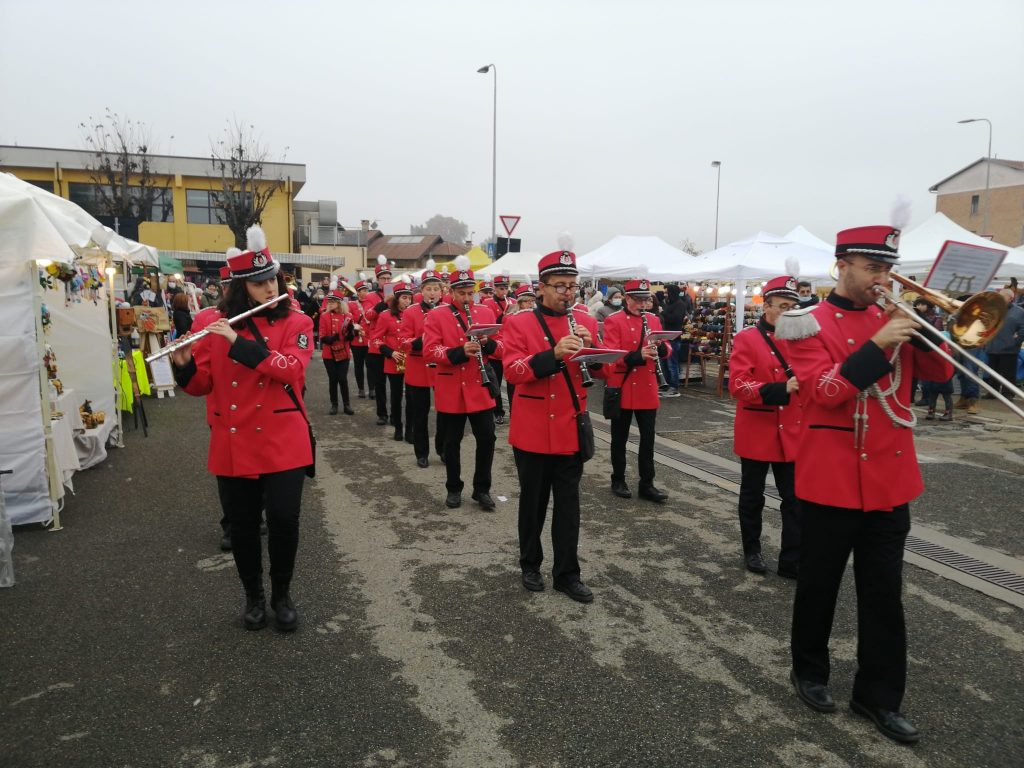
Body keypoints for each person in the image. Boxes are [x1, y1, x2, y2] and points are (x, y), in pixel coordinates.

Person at [776, 223, 953, 745]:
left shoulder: (894, 317)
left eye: (887, 269)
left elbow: (941, 375)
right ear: (843, 266)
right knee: (818, 587)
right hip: (830, 480)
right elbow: (826, 391)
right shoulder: (803, 323)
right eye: (873, 268)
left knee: (884, 596)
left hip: (888, 480)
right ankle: (809, 670)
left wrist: (927, 325)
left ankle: (878, 696)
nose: (883, 278)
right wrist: (879, 343)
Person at [171, 225, 314, 633]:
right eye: (259, 283)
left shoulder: (297, 322)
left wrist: (238, 342)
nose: (270, 289)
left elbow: (291, 369)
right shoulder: (211, 323)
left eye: (273, 280)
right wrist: (183, 365)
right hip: (233, 441)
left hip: (283, 438)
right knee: (243, 525)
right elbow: (202, 387)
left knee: (285, 520)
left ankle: (282, 593)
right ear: (240, 287)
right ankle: (252, 595)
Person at [502, 239, 605, 603]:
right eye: (559, 286)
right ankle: (530, 563)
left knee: (569, 506)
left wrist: (593, 354)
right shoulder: (518, 323)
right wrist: (553, 354)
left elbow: (605, 367)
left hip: (569, 428)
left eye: (572, 285)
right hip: (531, 430)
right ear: (541, 287)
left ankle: (567, 573)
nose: (567, 293)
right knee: (532, 503)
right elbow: (513, 372)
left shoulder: (588, 321)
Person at [728, 275, 803, 577]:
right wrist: (781, 389)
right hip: (758, 428)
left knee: (795, 500)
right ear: (766, 307)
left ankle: (791, 560)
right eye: (783, 306)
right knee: (752, 496)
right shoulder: (747, 338)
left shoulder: (801, 339)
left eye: (793, 306)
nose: (789, 312)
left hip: (793, 430)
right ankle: (752, 550)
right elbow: (738, 384)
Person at [423, 255, 501, 510]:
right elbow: (430, 352)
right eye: (462, 294)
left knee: (487, 438)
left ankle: (482, 489)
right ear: (451, 292)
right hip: (451, 388)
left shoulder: (486, 312)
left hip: (479, 385)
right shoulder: (437, 316)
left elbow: (501, 349)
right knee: (451, 442)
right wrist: (458, 351)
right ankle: (454, 488)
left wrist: (487, 344)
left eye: (471, 293)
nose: (468, 299)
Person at [602, 279, 671, 503]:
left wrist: (661, 348)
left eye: (646, 299)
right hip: (622, 385)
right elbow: (612, 355)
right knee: (619, 438)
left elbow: (666, 348)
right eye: (638, 299)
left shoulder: (653, 319)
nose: (643, 304)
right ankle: (618, 478)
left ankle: (647, 483)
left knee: (648, 439)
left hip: (647, 386)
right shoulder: (614, 320)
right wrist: (637, 355)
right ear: (627, 298)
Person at [401, 266, 444, 467]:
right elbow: (403, 341)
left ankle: (442, 448)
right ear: (421, 291)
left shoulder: (447, 311)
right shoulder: (411, 312)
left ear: (442, 291)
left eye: (436, 289)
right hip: (418, 366)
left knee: (446, 411)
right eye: (428, 289)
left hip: (442, 367)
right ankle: (422, 452)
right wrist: (424, 340)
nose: (432, 293)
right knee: (420, 413)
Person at [374, 282, 413, 441]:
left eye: (409, 298)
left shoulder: (413, 314)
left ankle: (410, 430)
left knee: (411, 397)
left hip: (411, 361)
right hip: (393, 361)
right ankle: (398, 426)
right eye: (404, 298)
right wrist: (390, 352)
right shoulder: (385, 315)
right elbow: (375, 339)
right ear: (396, 299)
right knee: (396, 396)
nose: (407, 301)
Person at [482, 271, 515, 425]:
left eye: (505, 288)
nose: (503, 291)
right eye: (500, 288)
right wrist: (502, 315)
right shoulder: (487, 303)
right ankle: (498, 412)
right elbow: (488, 325)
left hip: (509, 347)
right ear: (495, 288)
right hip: (494, 348)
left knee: (513, 383)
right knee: (495, 382)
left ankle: (514, 410)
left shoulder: (512, 301)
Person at [980, 289, 1024, 400]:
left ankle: (1008, 393)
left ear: (1010, 298)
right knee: (992, 372)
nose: (1000, 298)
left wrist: (1016, 342)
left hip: (1009, 349)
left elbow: (1023, 328)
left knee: (1008, 373)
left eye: (1003, 296)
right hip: (992, 346)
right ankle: (992, 392)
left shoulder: (1019, 311)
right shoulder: (993, 310)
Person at [366, 257, 393, 425]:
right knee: (380, 384)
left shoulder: (397, 295)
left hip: (393, 345)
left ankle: (396, 413)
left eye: (389, 278)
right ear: (377, 280)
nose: (386, 281)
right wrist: (383, 303)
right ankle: (382, 413)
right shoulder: (371, 296)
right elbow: (368, 317)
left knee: (396, 384)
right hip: (377, 347)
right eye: (383, 278)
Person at [319, 291, 355, 416]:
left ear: (339, 303)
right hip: (329, 353)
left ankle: (347, 404)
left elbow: (350, 338)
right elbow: (322, 336)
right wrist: (332, 338)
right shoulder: (324, 316)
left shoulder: (348, 315)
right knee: (333, 379)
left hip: (343, 352)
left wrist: (351, 333)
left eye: (333, 301)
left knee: (343, 379)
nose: (330, 304)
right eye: (329, 301)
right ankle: (334, 404)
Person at [660, 284, 689, 396]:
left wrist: (663, 312)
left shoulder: (679, 304)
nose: (665, 295)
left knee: (672, 364)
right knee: (665, 363)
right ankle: (666, 384)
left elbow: (675, 319)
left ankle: (674, 386)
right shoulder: (669, 303)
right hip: (665, 337)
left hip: (673, 338)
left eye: (667, 292)